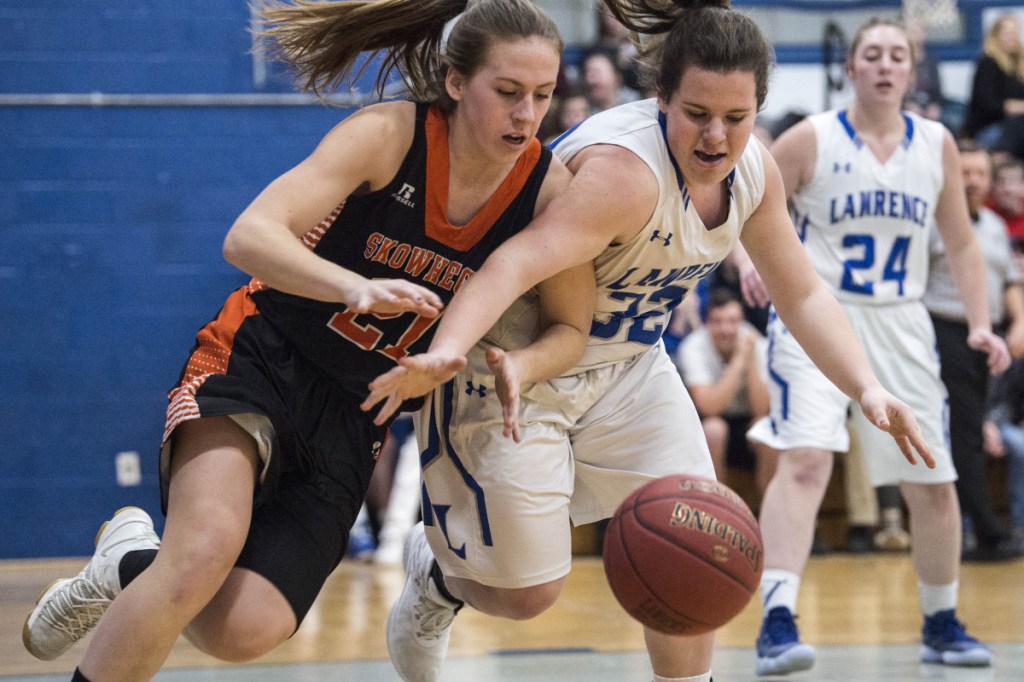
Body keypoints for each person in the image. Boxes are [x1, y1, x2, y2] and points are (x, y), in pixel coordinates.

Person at [20, 1, 596, 680]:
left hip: (356, 416)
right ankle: (160, 567)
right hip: (262, 359)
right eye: (507, 93)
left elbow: (571, 327)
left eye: (542, 95)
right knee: (200, 555)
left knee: (243, 630)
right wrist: (350, 286)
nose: (527, 115)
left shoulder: (546, 190)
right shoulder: (389, 136)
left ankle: (126, 563)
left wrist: (524, 365)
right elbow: (248, 236)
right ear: (454, 81)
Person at [363, 3, 935, 682]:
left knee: (696, 547)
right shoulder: (622, 175)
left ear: (759, 108)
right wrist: (448, 348)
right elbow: (512, 264)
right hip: (517, 365)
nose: (717, 137)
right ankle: (439, 581)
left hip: (630, 371)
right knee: (527, 594)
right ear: (661, 95)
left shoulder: (754, 173)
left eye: (736, 116)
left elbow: (803, 292)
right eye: (696, 113)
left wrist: (867, 387)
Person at [742, 17, 1012, 676]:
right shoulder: (813, 138)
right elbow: (747, 201)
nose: (885, 65)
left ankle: (941, 622)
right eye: (873, 54)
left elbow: (962, 241)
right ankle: (777, 619)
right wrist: (754, 258)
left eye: (897, 55)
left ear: (912, 69)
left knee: (934, 481)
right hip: (816, 314)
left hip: (902, 322)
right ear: (853, 68)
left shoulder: (937, 143)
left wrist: (980, 322)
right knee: (806, 458)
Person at [926, 139, 1024, 562]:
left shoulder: (995, 228)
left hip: (992, 337)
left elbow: (1007, 283)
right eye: (963, 172)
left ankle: (984, 527)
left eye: (979, 174)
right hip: (946, 331)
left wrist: (1019, 321)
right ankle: (985, 531)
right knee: (964, 434)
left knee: (980, 431)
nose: (971, 181)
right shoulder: (932, 222)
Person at [678, 287, 777, 504]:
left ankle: (775, 516)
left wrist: (750, 362)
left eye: (733, 321)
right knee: (714, 428)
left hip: (746, 426)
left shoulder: (757, 344)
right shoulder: (694, 347)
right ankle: (716, 511)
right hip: (709, 429)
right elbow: (708, 407)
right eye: (718, 321)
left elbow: (761, 408)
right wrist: (739, 362)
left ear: (741, 323)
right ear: (707, 323)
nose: (726, 329)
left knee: (767, 427)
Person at [961, 14, 1024, 159]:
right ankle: (1001, 161)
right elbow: (987, 105)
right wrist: (1013, 107)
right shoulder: (988, 64)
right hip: (990, 128)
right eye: (1008, 33)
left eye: (1015, 33)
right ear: (996, 36)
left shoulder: (1017, 67)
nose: (1013, 37)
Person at [984, 356, 1024, 545]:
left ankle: (1020, 527)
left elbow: (1009, 401)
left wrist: (993, 424)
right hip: (967, 425)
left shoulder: (1006, 357)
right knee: (965, 451)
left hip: (1003, 423)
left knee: (1020, 446)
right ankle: (964, 529)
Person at [989, 157, 1024, 241]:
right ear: (993, 187)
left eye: (1013, 182)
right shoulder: (983, 215)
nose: (1007, 189)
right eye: (1001, 182)